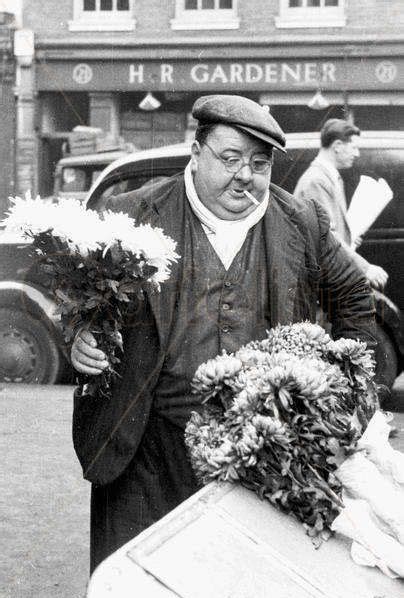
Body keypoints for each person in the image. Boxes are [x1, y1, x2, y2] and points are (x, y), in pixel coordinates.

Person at [70, 95, 376, 572]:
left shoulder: (301, 222)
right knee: (134, 587)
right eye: (229, 159)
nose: (244, 176)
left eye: (259, 163)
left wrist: (344, 388)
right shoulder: (130, 213)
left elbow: (355, 298)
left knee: (234, 584)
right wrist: (82, 338)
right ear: (196, 154)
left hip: (258, 454)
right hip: (145, 447)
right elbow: (83, 297)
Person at [293, 118, 388, 290]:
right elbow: (326, 236)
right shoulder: (317, 181)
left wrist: (348, 237)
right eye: (354, 147)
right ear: (337, 146)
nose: (357, 154)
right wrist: (364, 267)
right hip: (319, 285)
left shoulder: (328, 178)